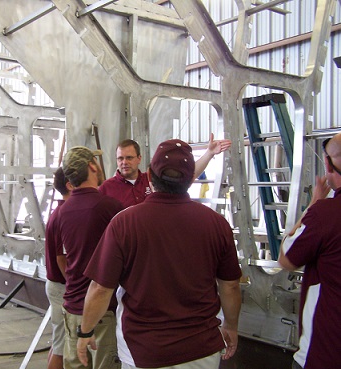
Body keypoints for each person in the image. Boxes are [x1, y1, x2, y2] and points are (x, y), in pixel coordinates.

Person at [77, 139, 242, 369]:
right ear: (189, 180)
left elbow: (101, 288)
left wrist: (85, 331)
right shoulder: (217, 224)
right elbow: (230, 286)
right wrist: (231, 326)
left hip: (144, 351)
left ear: (149, 174)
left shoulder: (124, 223)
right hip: (202, 349)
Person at [278, 133, 341, 369]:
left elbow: (286, 258)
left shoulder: (325, 214)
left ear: (327, 163)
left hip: (325, 353)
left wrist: (314, 204)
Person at [59, 146, 123, 369]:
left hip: (72, 306)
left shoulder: (63, 211)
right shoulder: (110, 207)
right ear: (92, 166)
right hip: (101, 310)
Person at [98, 134, 232, 208]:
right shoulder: (106, 189)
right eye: (120, 158)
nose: (124, 162)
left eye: (129, 158)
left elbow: (188, 176)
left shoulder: (152, 180)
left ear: (139, 158)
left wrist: (209, 153)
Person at [45, 167, 73, 369]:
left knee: (58, 342)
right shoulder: (65, 214)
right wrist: (74, 287)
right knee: (61, 346)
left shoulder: (60, 210)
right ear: (71, 185)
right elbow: (61, 258)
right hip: (62, 286)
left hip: (57, 284)